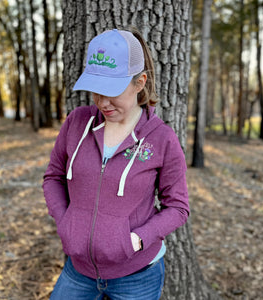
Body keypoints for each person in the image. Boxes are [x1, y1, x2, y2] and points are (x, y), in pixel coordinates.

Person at [43, 28, 189, 300]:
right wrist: (65, 222)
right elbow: (53, 177)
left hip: (137, 277)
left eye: (112, 91)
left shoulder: (162, 140)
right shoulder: (77, 122)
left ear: (140, 82)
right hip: (78, 272)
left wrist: (137, 240)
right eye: (97, 90)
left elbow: (178, 207)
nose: (102, 102)